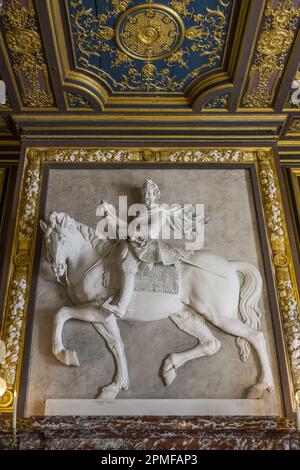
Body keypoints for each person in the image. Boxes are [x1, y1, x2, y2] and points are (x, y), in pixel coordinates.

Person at [102, 179, 206, 318]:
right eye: (144, 194)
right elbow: (128, 228)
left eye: (149, 194)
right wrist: (111, 216)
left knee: (128, 267)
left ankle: (121, 306)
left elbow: (150, 232)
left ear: (156, 195)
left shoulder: (160, 212)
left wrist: (132, 233)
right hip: (135, 244)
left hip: (147, 246)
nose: (146, 197)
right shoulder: (142, 213)